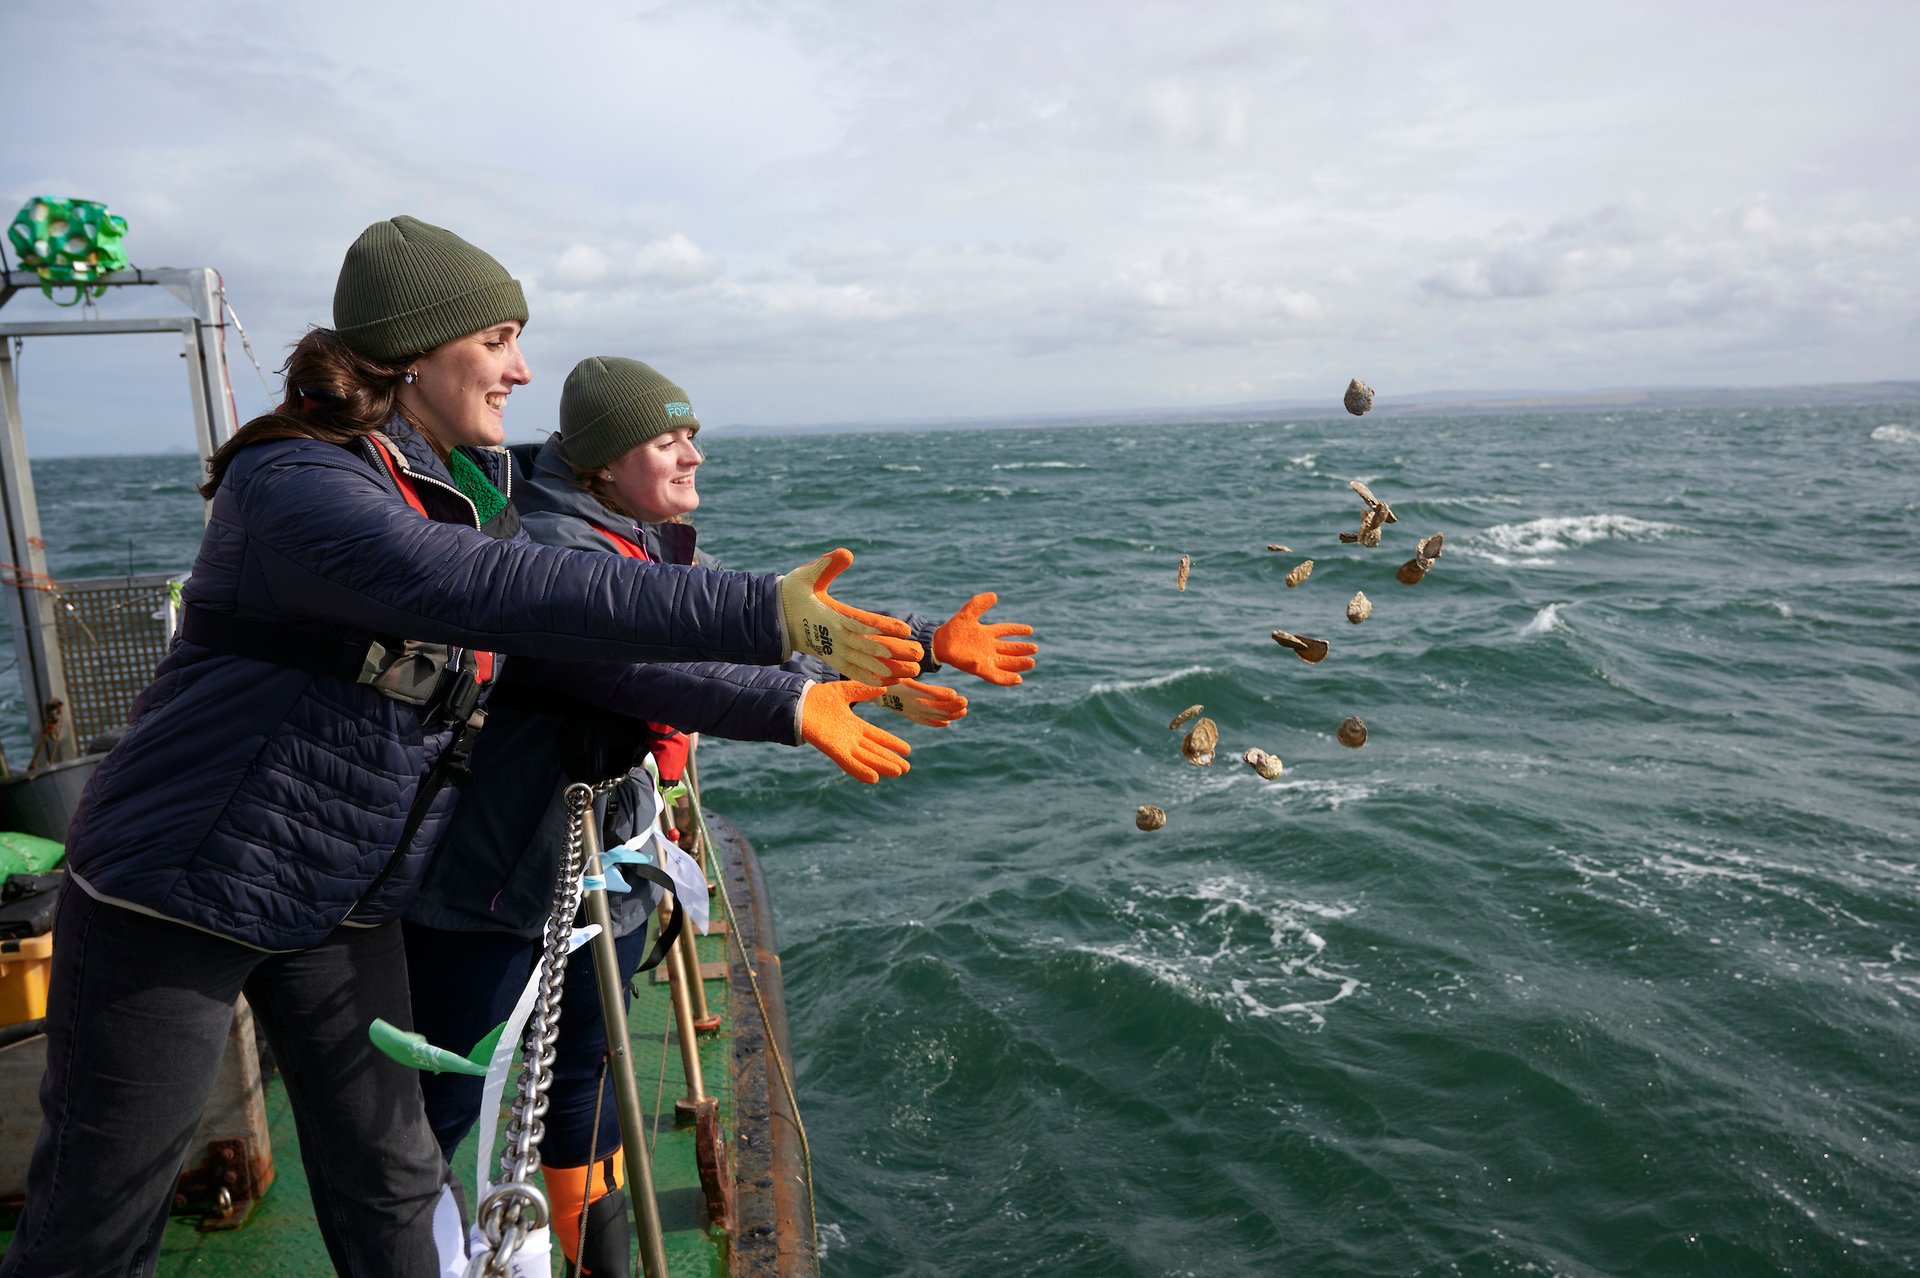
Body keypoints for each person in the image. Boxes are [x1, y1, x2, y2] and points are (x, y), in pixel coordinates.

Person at [0, 217, 925, 1278]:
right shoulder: (299, 482)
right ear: (414, 351)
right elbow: (496, 590)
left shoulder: (453, 492)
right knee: (102, 1209)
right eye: (497, 340)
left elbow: (587, 639)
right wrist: (764, 609)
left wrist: (843, 669)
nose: (522, 369)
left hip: (338, 889)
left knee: (395, 1183)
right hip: (182, 883)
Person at [404, 355, 1039, 1275]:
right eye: (667, 440)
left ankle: (603, 1264)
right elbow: (650, 666)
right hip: (491, 888)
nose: (693, 455)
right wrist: (791, 709)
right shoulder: (547, 553)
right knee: (433, 1110)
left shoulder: (630, 536)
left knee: (587, 1088)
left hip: (602, 875)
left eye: (690, 434)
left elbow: (734, 638)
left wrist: (923, 647)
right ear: (602, 465)